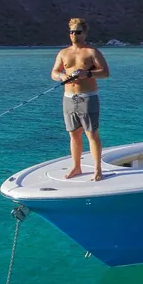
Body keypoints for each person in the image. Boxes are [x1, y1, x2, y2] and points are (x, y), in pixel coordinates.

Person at [51, 18, 110, 180]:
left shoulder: (92, 52)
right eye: (71, 32)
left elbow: (105, 72)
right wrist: (62, 75)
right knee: (74, 134)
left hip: (88, 97)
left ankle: (98, 169)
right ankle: (76, 167)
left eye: (77, 32)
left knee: (91, 133)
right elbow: (54, 73)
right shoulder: (63, 53)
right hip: (69, 97)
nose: (74, 35)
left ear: (84, 33)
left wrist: (88, 73)